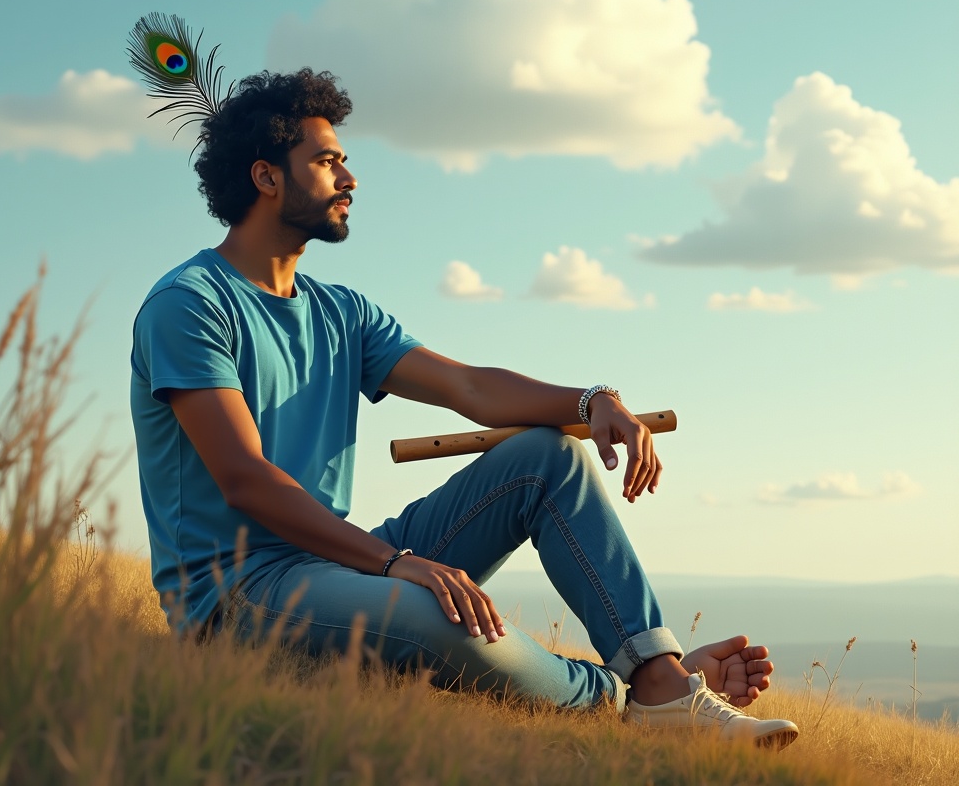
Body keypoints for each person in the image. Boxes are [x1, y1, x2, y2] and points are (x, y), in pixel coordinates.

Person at [130, 68, 798, 747]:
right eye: (328, 162)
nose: (350, 179)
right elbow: (244, 479)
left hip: (329, 568)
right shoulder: (190, 305)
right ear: (267, 177)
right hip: (241, 597)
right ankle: (628, 695)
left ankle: (658, 681)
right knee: (430, 609)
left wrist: (591, 399)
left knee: (545, 456)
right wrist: (396, 564)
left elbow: (472, 389)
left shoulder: (341, 312)